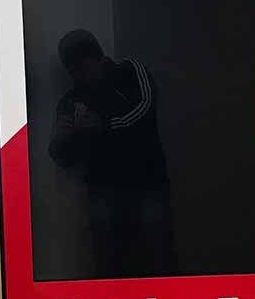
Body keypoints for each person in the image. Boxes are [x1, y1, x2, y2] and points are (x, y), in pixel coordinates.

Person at [48, 28, 177, 277]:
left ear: (99, 58)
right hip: (102, 189)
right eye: (73, 71)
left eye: (84, 68)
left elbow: (145, 108)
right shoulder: (71, 100)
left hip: (147, 180)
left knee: (159, 257)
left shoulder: (128, 71)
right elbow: (61, 157)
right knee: (108, 264)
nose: (81, 77)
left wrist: (103, 125)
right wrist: (66, 137)